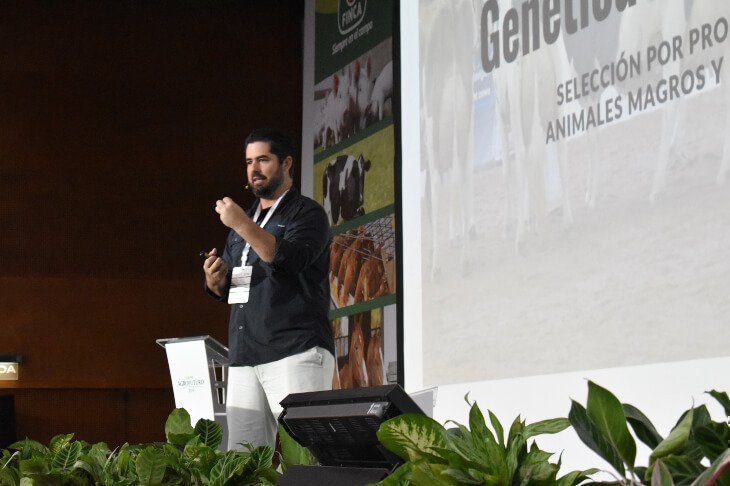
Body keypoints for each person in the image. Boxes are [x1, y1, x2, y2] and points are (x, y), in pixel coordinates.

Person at [203, 128, 335, 450]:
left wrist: (239, 225)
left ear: (287, 163)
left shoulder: (308, 214)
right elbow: (243, 285)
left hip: (295, 351)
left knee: (305, 457)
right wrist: (217, 282)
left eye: (263, 159)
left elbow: (287, 261)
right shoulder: (245, 220)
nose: (254, 169)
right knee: (243, 463)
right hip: (245, 355)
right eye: (249, 161)